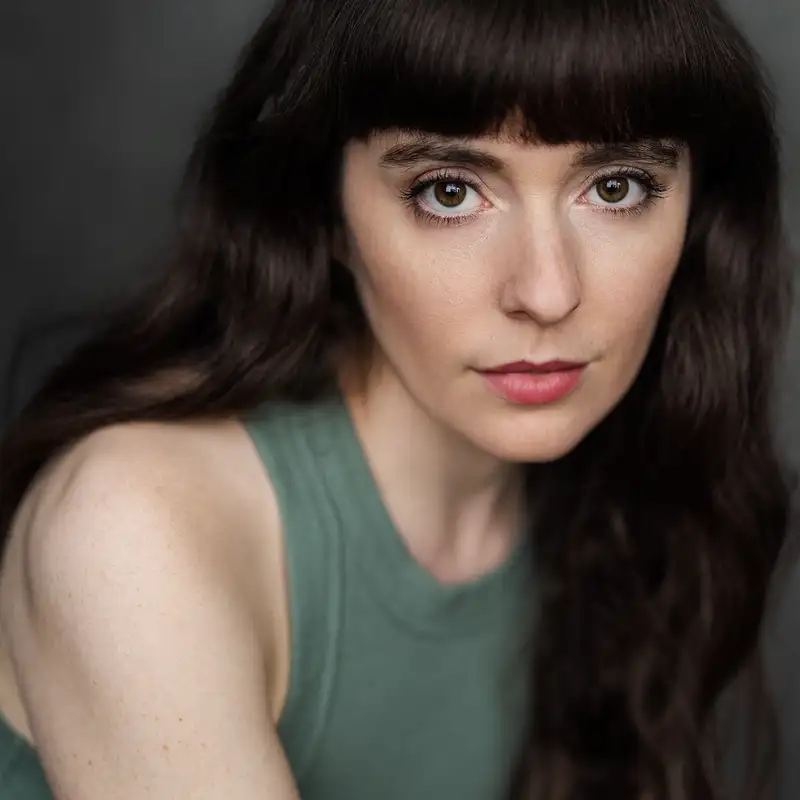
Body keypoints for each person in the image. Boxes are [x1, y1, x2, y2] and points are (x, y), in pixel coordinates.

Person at [0, 0, 795, 797]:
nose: (548, 292)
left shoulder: (613, 517)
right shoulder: (134, 528)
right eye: (449, 192)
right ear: (326, 214)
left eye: (616, 187)